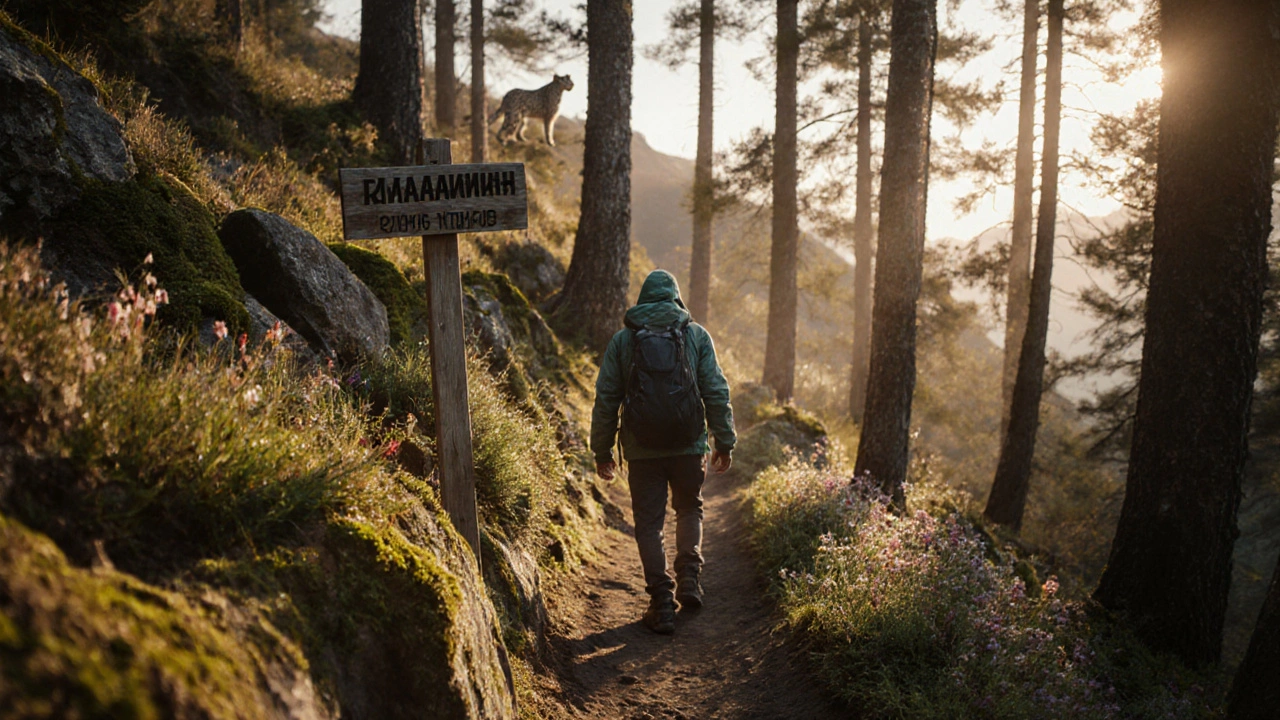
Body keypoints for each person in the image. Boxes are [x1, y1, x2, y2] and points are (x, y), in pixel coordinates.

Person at [590, 269, 736, 635]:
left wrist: (602, 450)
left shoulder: (624, 341)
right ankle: (689, 578)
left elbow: (606, 398)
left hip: (642, 450)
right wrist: (725, 441)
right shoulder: (696, 335)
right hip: (689, 446)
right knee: (689, 508)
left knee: (650, 524)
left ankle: (660, 601)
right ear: (676, 299)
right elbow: (715, 390)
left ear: (643, 300)